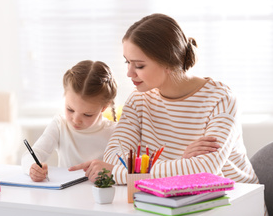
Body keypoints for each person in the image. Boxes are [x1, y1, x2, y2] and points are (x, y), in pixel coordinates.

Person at [69, 13, 259, 187]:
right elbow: (113, 157)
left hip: (234, 201)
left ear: (168, 62)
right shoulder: (138, 100)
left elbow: (205, 169)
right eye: (128, 62)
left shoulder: (221, 100)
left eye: (139, 65)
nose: (129, 73)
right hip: (172, 199)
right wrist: (181, 164)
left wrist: (119, 174)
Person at [21, 60, 118, 182]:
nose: (76, 120)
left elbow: (129, 171)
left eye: (87, 114)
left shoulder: (115, 132)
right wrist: (33, 168)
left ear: (104, 107)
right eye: (70, 109)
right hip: (64, 196)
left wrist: (112, 171)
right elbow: (30, 155)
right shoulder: (60, 125)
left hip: (100, 196)